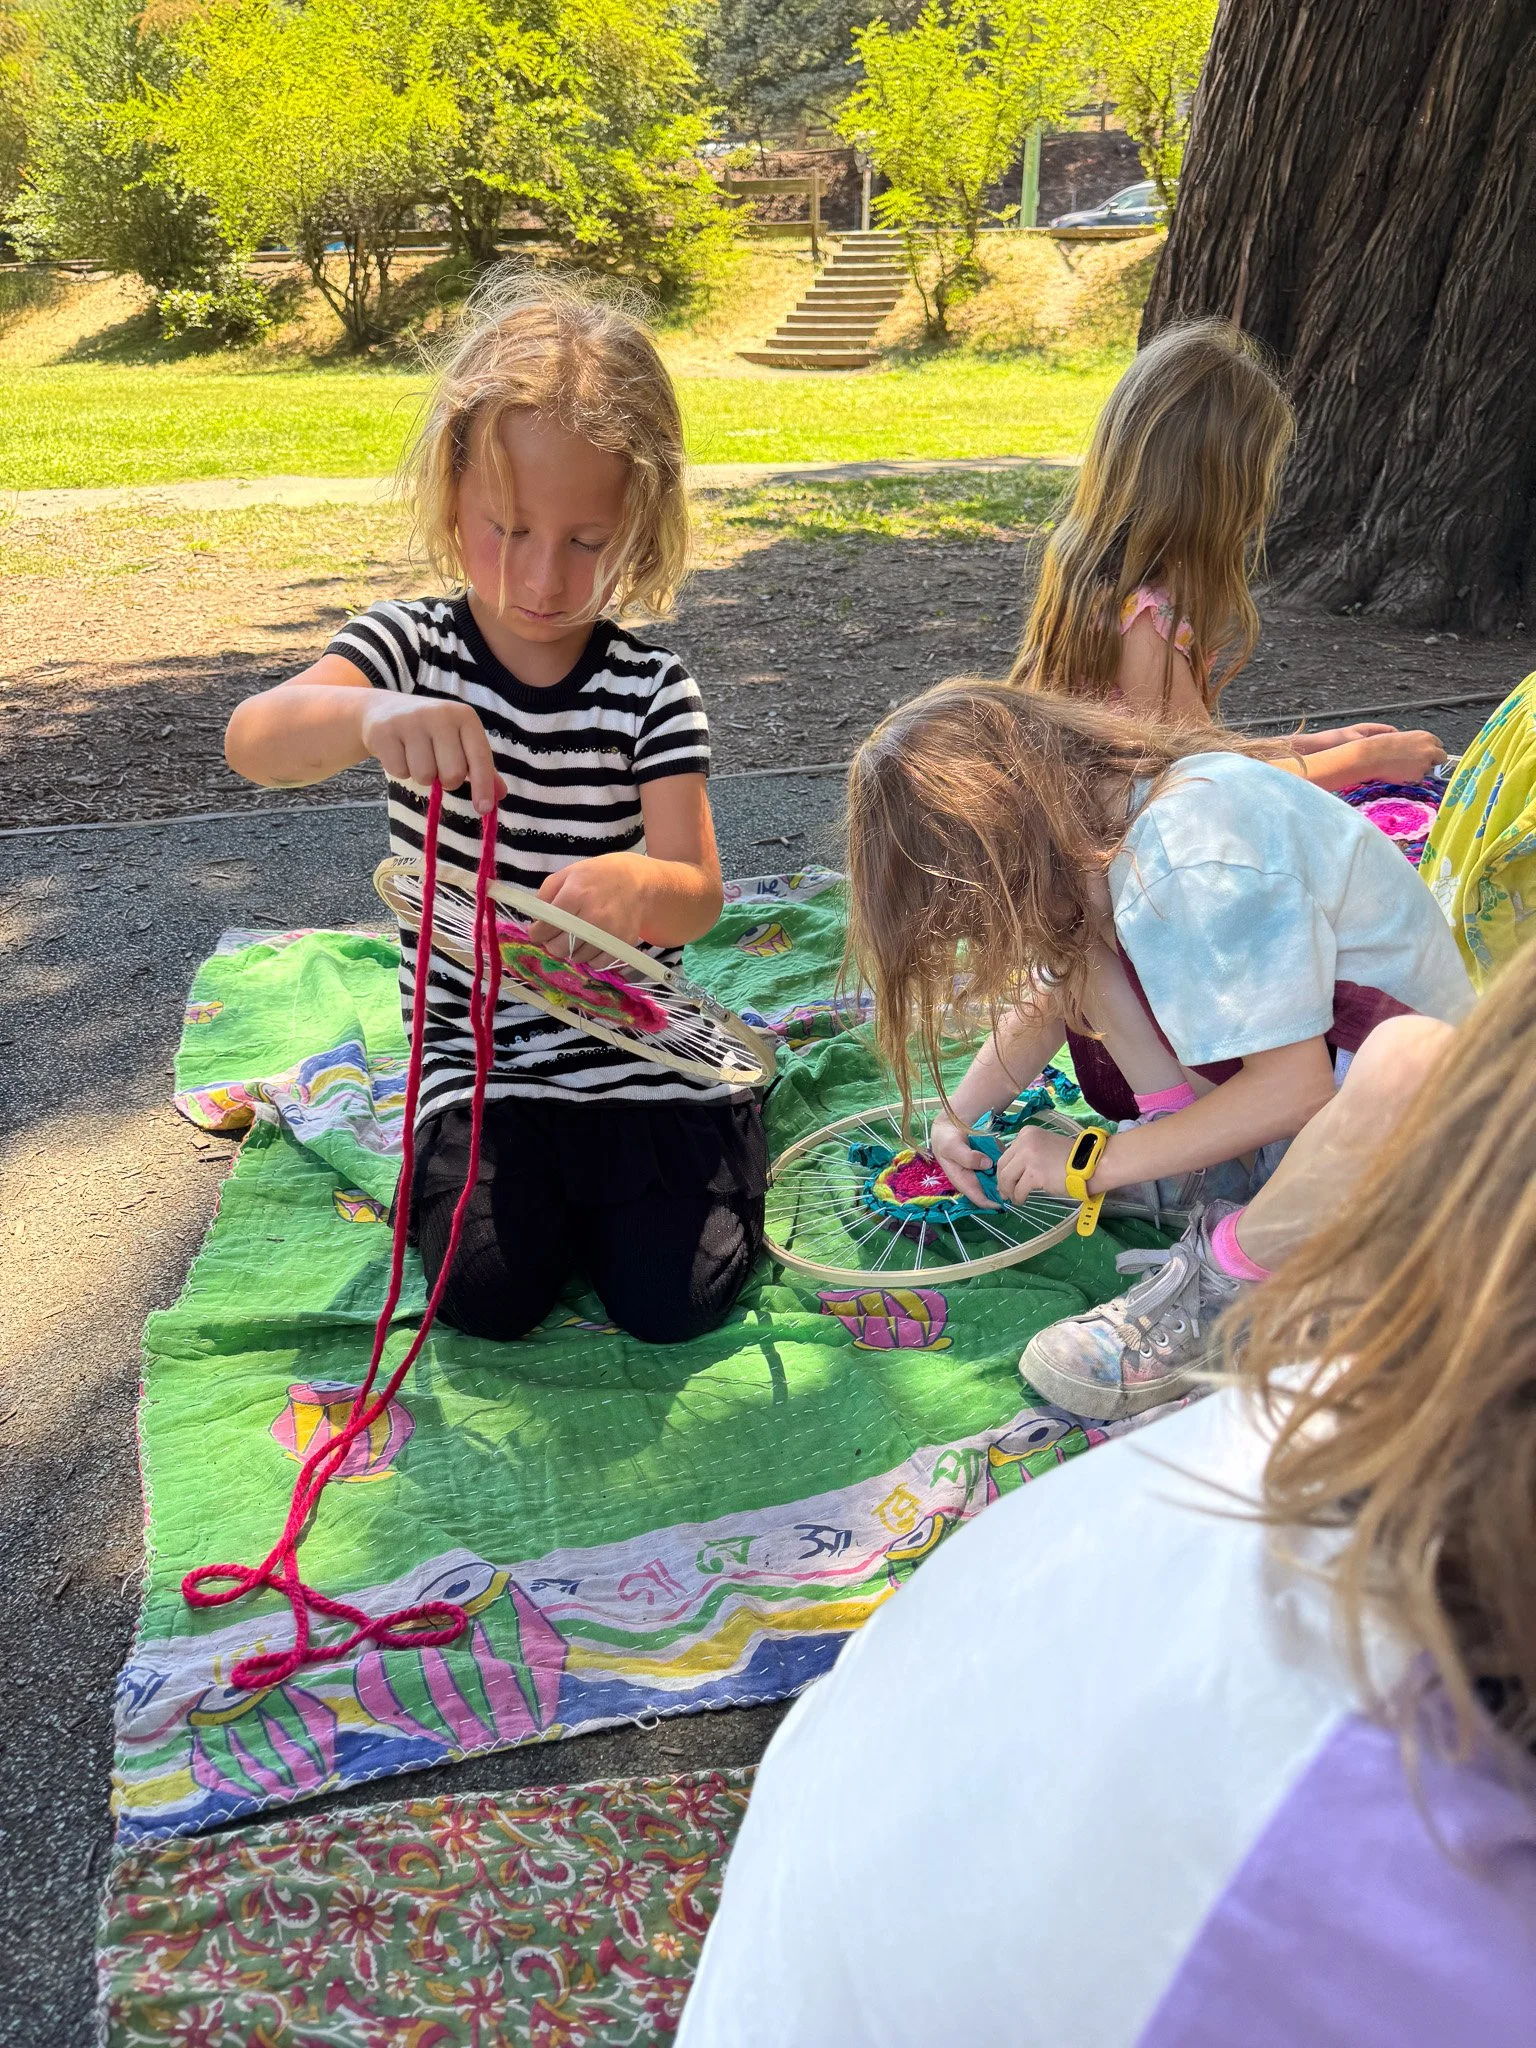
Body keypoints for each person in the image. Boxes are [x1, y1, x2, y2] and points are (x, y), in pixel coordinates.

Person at [679, 942, 1536, 2048]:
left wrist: (1086, 1154)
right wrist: (1052, 1140)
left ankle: (1228, 1256)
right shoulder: (1413, 1880)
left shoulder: (1286, 1418)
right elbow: (1073, 1007)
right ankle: (1226, 1253)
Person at [224, 276, 764, 1346]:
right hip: (477, 1058)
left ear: (639, 525)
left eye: (585, 539)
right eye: (506, 528)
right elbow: (258, 740)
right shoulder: (409, 649)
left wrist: (639, 887)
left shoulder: (651, 689)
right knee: (486, 1295)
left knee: (674, 1303)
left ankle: (734, 1116)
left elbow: (695, 892)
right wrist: (371, 714)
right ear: (452, 499)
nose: (541, 576)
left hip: (633, 1052)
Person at [844, 683, 1473, 1420]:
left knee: (1411, 1059)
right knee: (1079, 946)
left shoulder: (1190, 853)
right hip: (1303, 1127)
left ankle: (1235, 1279)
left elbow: (1295, 1091)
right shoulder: (1122, 819)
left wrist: (1091, 1165)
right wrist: (960, 1113)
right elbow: (1057, 987)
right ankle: (1209, 1171)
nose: (980, 935)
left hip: (1400, 1167)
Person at [1011, 319, 1447, 794]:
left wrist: (1317, 745)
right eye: (1258, 476)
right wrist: (1362, 761)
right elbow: (1206, 782)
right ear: (1217, 491)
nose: (1262, 501)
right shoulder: (1143, 621)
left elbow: (1190, 747)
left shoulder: (1109, 588)